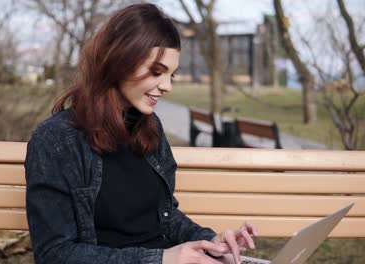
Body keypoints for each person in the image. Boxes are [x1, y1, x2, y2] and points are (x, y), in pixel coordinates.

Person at [25, 3, 258, 264]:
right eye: (157, 72)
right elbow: (54, 255)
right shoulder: (56, 141)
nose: (167, 86)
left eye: (172, 75)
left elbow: (165, 218)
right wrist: (159, 259)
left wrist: (209, 242)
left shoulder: (150, 127)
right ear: (119, 61)